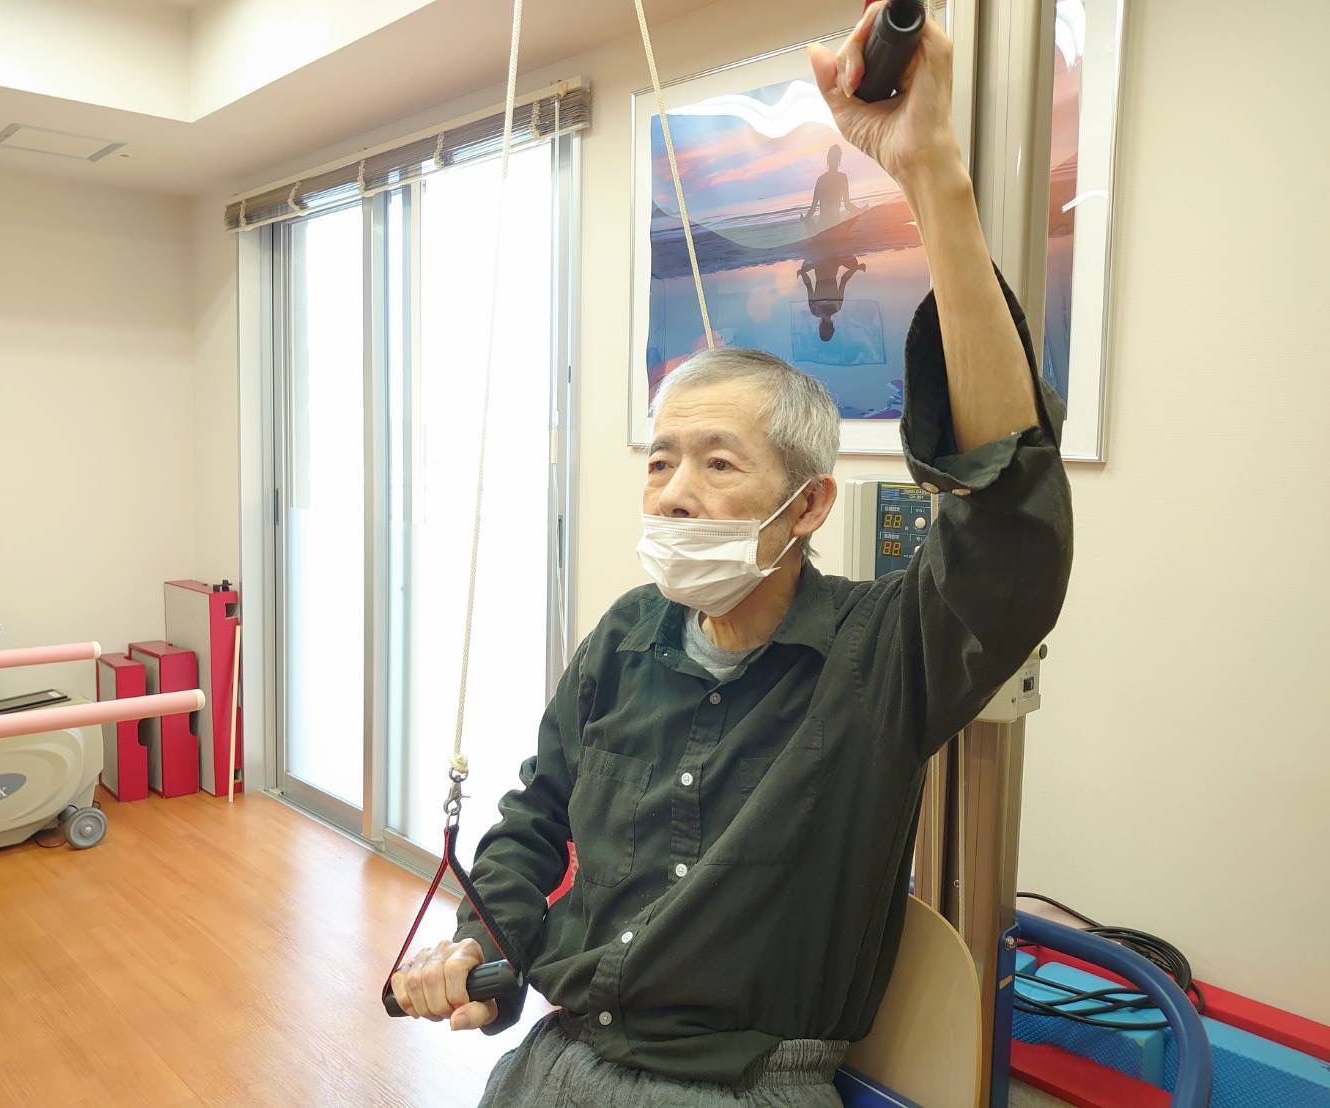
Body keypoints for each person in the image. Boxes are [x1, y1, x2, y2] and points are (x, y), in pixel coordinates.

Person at [391, 7, 1073, 1105]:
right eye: (660, 461)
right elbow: (533, 818)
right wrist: (485, 942)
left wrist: (930, 176)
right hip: (558, 1058)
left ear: (807, 505)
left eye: (717, 463)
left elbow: (1007, 522)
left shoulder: (878, 658)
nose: (674, 491)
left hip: (739, 1085)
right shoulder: (627, 636)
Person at [797, 254, 865, 342]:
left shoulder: (837, 307)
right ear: (820, 327)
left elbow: (843, 280)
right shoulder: (814, 310)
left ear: (832, 326)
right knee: (804, 268)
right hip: (818, 264)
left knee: (854, 264)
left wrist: (856, 268)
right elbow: (809, 286)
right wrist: (802, 273)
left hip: (833, 263)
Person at [801, 144, 862, 232]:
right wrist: (860, 211)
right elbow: (847, 205)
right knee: (854, 214)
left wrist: (805, 219)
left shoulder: (821, 179)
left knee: (808, 221)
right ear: (839, 160)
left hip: (823, 227)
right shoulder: (842, 177)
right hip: (837, 226)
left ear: (828, 160)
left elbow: (813, 207)